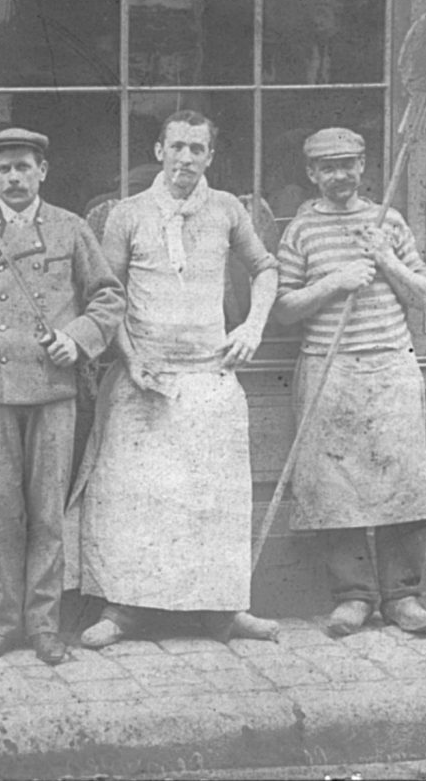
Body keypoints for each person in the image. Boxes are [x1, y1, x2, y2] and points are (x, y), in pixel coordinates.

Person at [76, 110, 282, 648]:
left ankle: (223, 612)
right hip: (144, 381)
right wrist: (129, 354)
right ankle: (122, 612)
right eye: (177, 147)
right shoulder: (129, 214)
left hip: (209, 378)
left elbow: (267, 269)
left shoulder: (227, 209)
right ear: (159, 149)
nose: (186, 158)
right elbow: (106, 292)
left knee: (214, 501)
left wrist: (253, 327)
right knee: (134, 499)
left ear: (210, 155)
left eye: (197, 148)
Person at [0, 127, 125, 664]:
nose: (14, 178)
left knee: (47, 515)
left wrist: (76, 340)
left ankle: (43, 625)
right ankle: (3, 621)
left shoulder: (71, 229)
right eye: (5, 169)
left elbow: (108, 297)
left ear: (43, 172)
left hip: (54, 390)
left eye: (24, 167)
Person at [272, 127, 426, 637]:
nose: (340, 175)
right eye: (328, 167)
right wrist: (334, 282)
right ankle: (353, 597)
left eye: (349, 164)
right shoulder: (300, 231)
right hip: (330, 366)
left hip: (390, 363)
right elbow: (283, 309)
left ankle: (402, 596)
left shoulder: (388, 221)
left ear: (363, 166)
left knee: (402, 481)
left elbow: (425, 294)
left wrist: (386, 260)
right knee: (335, 488)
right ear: (311, 174)